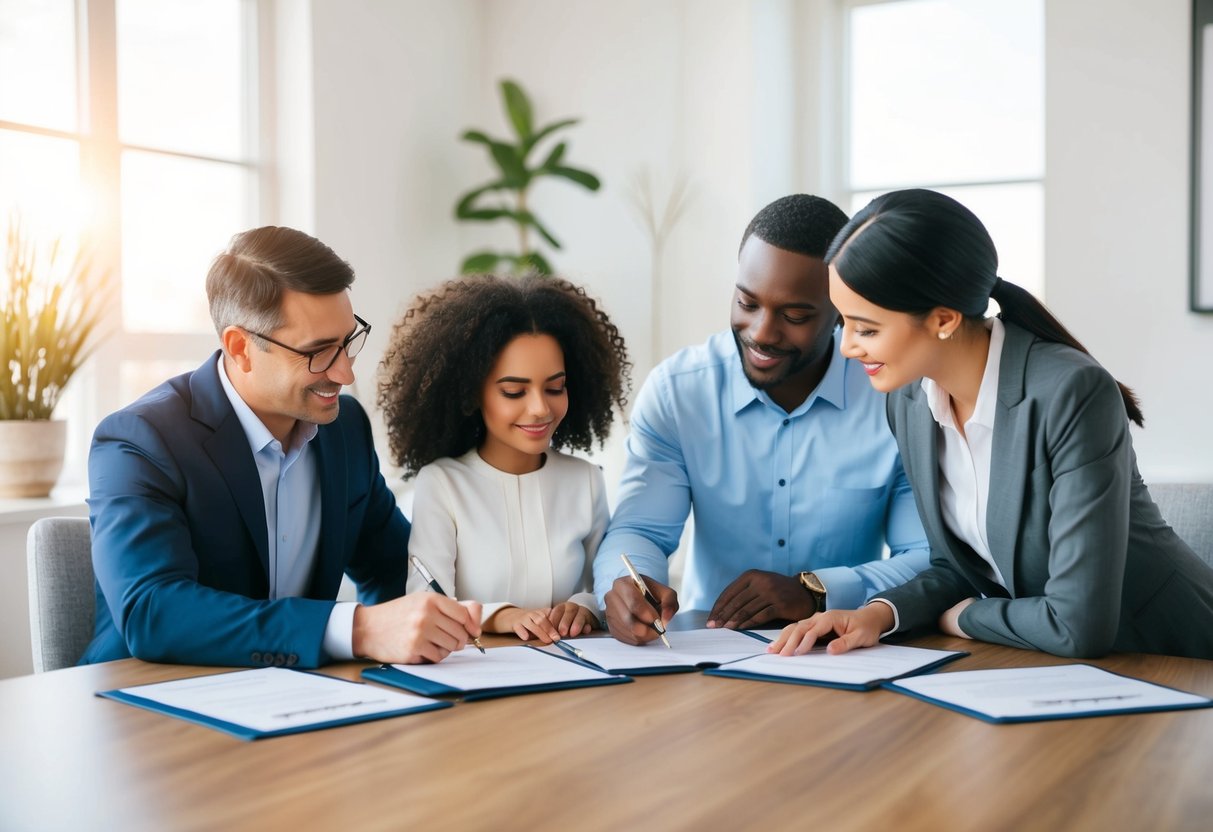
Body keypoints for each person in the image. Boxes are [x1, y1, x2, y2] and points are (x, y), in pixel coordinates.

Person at [772, 188, 1213, 660]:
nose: (847, 348)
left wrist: (961, 617)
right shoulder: (909, 400)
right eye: (844, 323)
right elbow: (956, 565)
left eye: (868, 328)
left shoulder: (1071, 392)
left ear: (943, 319)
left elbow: (1077, 624)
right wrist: (878, 614)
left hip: (1174, 659)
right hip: (1056, 669)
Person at [83, 226, 482, 668]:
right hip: (148, 703)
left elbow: (397, 567)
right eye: (319, 352)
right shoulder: (140, 440)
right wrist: (359, 629)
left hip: (301, 702)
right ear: (241, 347)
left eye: (347, 342)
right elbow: (153, 611)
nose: (346, 374)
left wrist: (491, 613)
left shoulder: (344, 429)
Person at [594, 194, 931, 645]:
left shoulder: (894, 399)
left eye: (794, 315)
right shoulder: (679, 391)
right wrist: (626, 586)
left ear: (841, 313)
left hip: (844, 652)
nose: (762, 333)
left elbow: (927, 556)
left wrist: (815, 591)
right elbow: (641, 530)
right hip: (706, 649)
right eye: (747, 303)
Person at [378, 274, 630, 644]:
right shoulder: (444, 483)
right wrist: (500, 616)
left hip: (574, 674)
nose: (540, 408)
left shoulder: (585, 480)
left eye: (555, 388)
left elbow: (606, 585)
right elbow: (427, 601)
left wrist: (585, 606)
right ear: (472, 393)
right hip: (480, 676)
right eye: (514, 391)